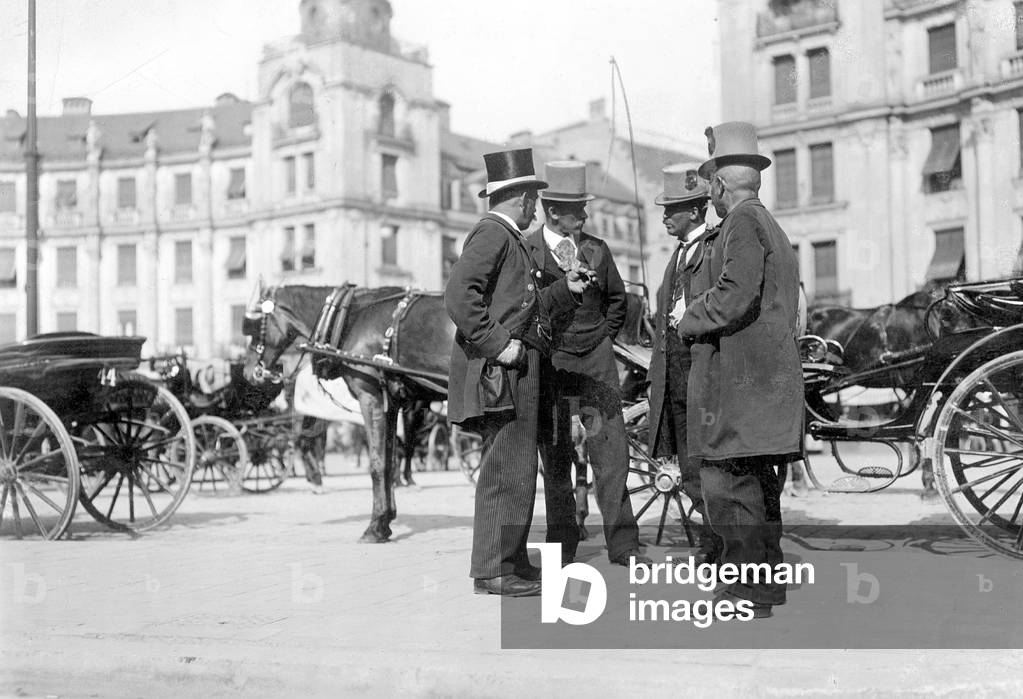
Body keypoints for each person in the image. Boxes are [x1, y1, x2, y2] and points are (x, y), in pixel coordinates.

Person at [445, 148, 590, 597]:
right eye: (532, 198)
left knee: (519, 467)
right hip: (502, 372)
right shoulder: (492, 234)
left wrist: (565, 290)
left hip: (518, 370)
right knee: (505, 469)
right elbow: (458, 296)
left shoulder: (506, 237)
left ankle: (511, 560)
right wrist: (497, 343)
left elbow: (526, 307)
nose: (534, 208)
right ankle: (491, 569)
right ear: (522, 197)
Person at [677, 122, 804, 618]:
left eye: (710, 183)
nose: (709, 194)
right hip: (766, 384)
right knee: (757, 489)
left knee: (727, 487)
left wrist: (687, 319)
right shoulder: (770, 223)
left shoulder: (741, 224)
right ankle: (764, 587)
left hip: (741, 385)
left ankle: (748, 592)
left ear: (720, 185)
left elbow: (734, 294)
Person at [526, 161, 649, 568]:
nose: (585, 215)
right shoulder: (529, 250)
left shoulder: (597, 250)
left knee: (610, 456)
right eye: (577, 208)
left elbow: (618, 301)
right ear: (553, 210)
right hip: (554, 369)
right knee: (557, 460)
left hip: (596, 369)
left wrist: (602, 337)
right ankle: (562, 549)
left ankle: (624, 546)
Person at [646, 164, 722, 565]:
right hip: (674, 375)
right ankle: (711, 545)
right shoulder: (677, 256)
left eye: (671, 209)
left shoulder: (713, 249)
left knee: (705, 465)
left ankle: (717, 548)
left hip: (701, 375)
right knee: (689, 467)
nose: (664, 217)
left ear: (695, 211)